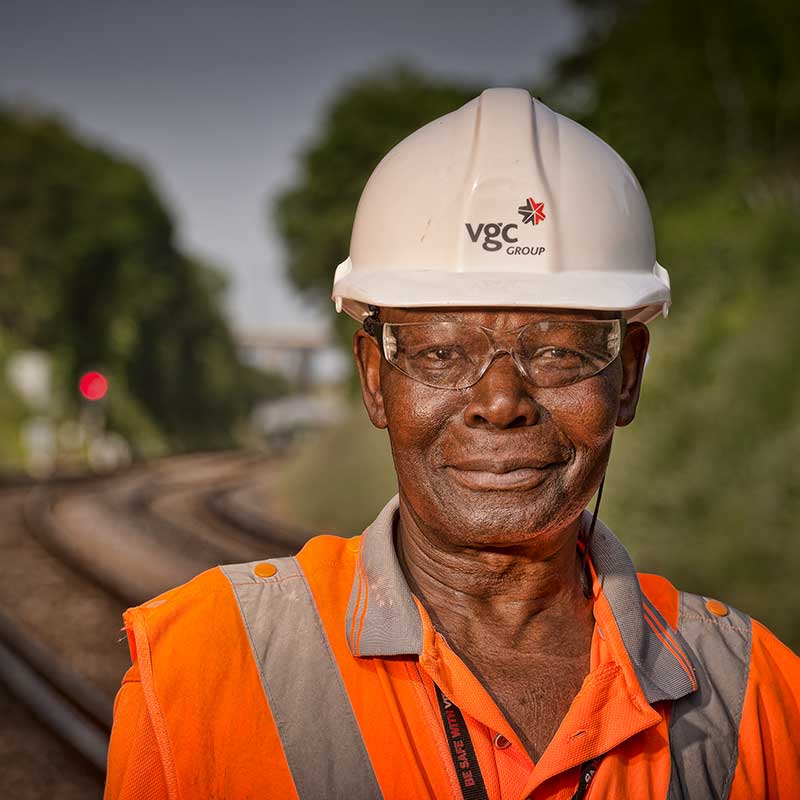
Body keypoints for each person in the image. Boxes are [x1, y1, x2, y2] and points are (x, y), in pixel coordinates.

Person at [104, 89, 800, 800]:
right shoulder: (203, 664)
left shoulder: (758, 698)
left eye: (559, 351)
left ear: (627, 379)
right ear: (375, 380)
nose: (500, 403)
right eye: (440, 354)